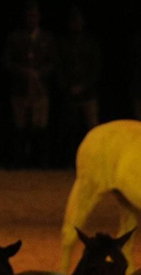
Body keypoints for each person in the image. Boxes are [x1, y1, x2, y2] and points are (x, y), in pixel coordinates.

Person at [4, 1, 58, 168]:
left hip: (40, 90)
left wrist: (39, 74)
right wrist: (23, 72)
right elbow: (7, 61)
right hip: (20, 90)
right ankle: (20, 162)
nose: (32, 19)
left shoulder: (47, 39)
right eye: (29, 15)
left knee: (40, 126)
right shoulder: (15, 38)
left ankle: (40, 163)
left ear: (39, 17)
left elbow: (54, 62)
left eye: (35, 15)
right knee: (20, 126)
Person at [55, 5, 101, 166]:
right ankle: (71, 161)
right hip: (70, 94)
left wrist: (84, 86)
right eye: (72, 20)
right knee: (71, 129)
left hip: (89, 94)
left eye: (78, 20)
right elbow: (59, 67)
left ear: (83, 22)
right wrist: (68, 87)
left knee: (92, 131)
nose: (76, 24)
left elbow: (96, 68)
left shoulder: (90, 42)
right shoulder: (63, 43)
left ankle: (93, 163)